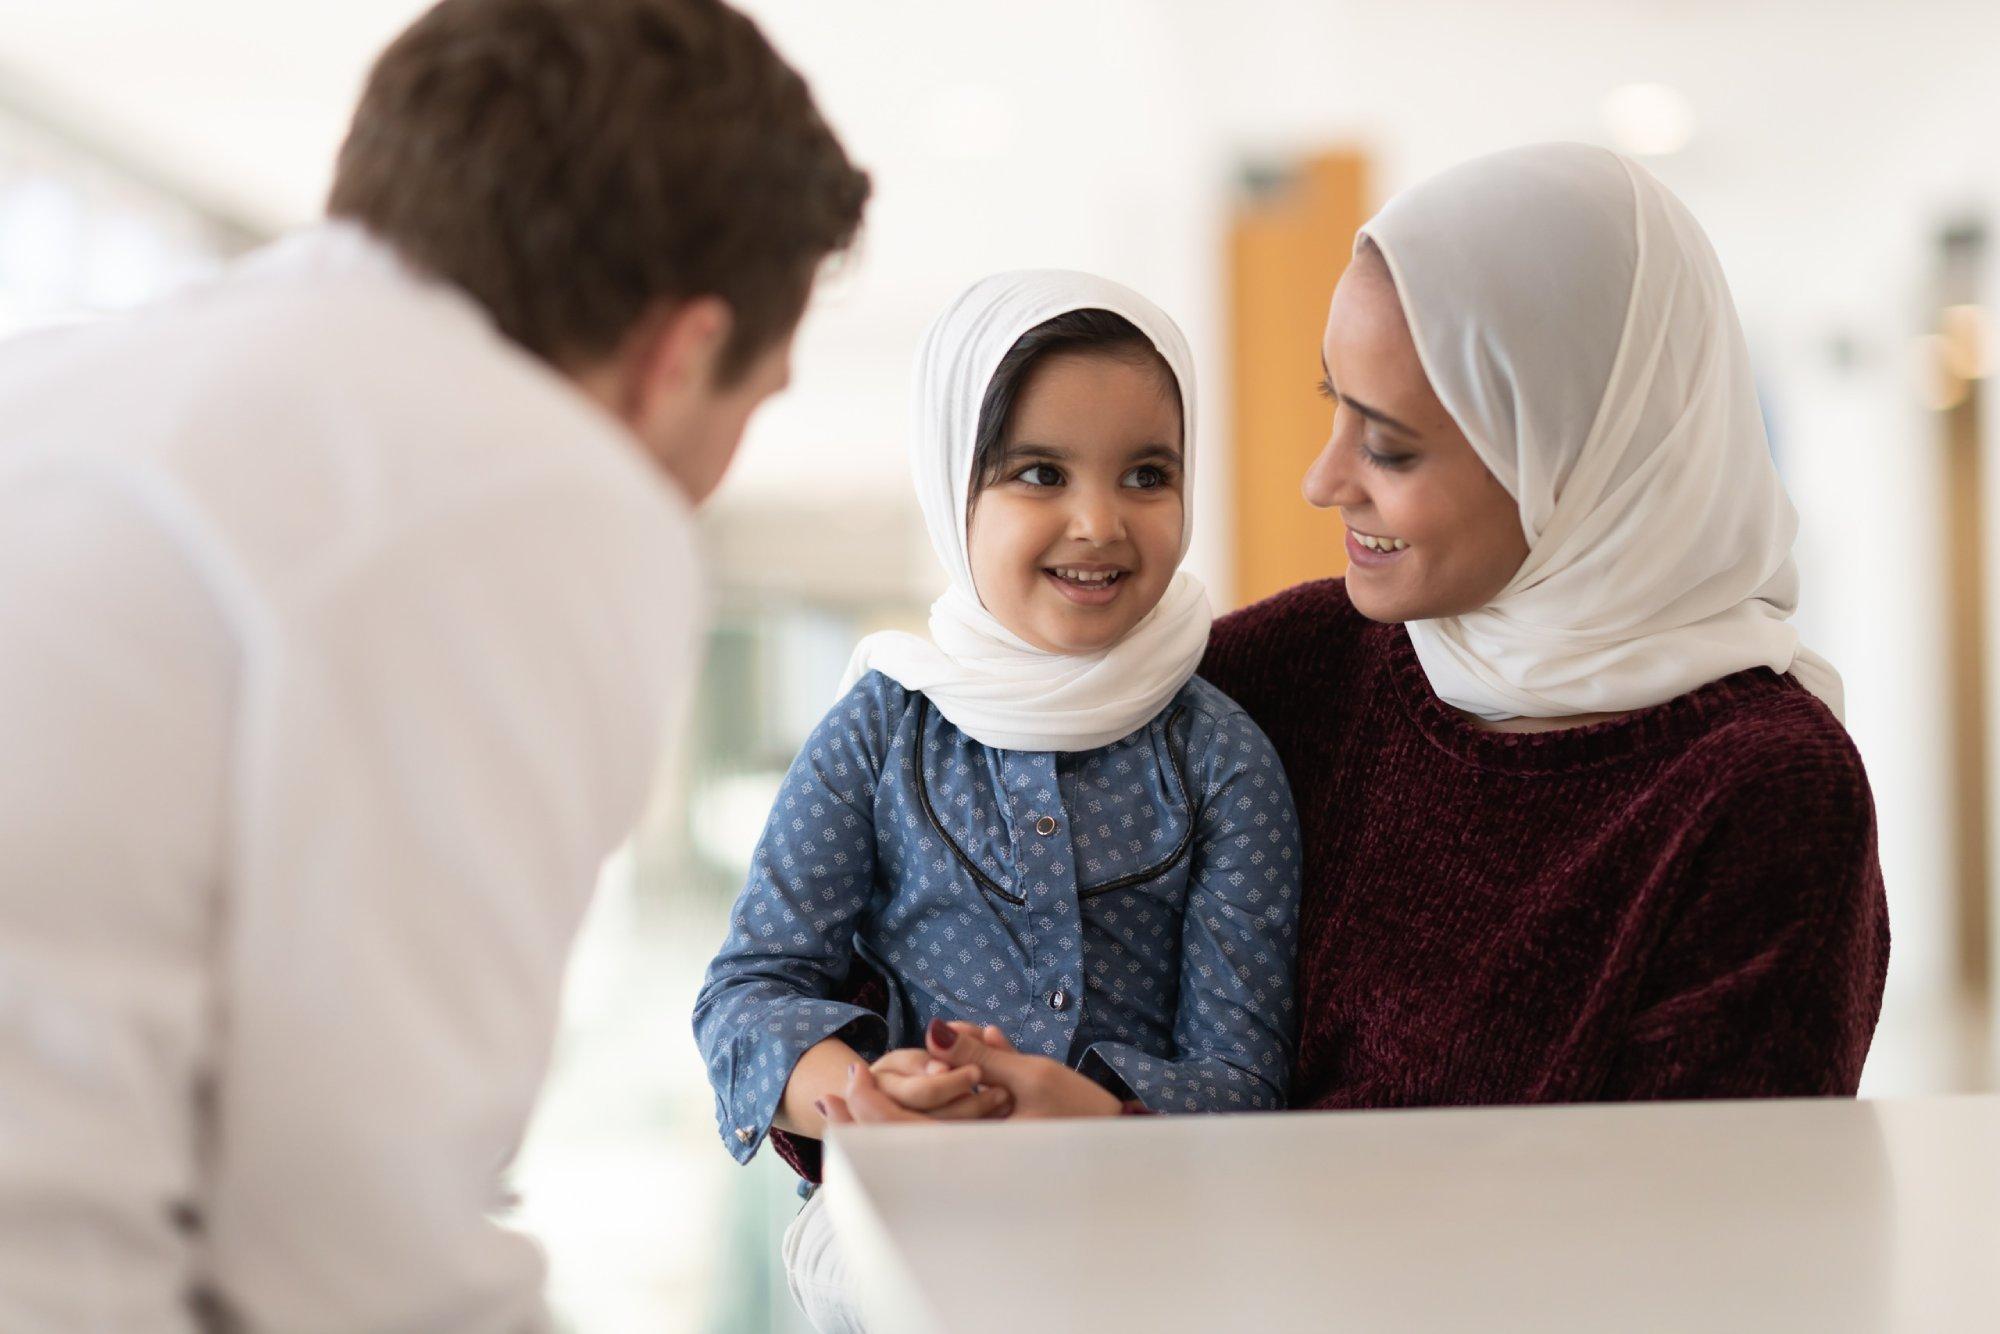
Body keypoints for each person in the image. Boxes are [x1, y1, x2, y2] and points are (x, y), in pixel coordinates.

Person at [0, 1, 866, 1328]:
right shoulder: (528, 485)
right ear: (681, 353)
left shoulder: (59, 382)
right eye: (757, 398)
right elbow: (358, 1251)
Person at [847, 144, 1887, 1134]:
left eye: (1388, 444)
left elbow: (1715, 1234)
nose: (1323, 478)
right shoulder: (1288, 669)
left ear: (1572, 457)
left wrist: (1134, 1141)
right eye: (1330, 404)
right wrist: (889, 1090)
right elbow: (897, 923)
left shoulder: (1765, 794)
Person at [693, 271, 1301, 1332]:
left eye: (1147, 474)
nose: (1098, 521)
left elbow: (1244, 1080)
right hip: (903, 1231)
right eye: (1037, 472)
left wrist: (1092, 1113)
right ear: (950, 487)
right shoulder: (881, 730)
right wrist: (863, 1097)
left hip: (1147, 1230)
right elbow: (746, 995)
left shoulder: (1224, 761)